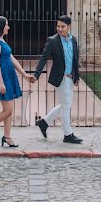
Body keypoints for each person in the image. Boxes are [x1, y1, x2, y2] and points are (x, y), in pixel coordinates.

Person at [0, 16, 36, 148]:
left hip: (9, 75)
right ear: (1, 27)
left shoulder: (1, 41)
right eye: (6, 25)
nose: (8, 27)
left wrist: (25, 75)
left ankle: (7, 137)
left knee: (8, 110)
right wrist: (1, 83)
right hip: (2, 77)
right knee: (8, 110)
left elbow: (12, 59)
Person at [33, 15, 83, 144]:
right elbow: (43, 57)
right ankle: (68, 134)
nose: (60, 29)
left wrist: (76, 76)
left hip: (70, 78)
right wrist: (36, 74)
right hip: (60, 78)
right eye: (58, 26)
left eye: (63, 26)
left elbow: (75, 59)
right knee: (66, 106)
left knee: (65, 105)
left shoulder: (73, 40)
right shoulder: (52, 40)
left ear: (69, 27)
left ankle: (44, 122)